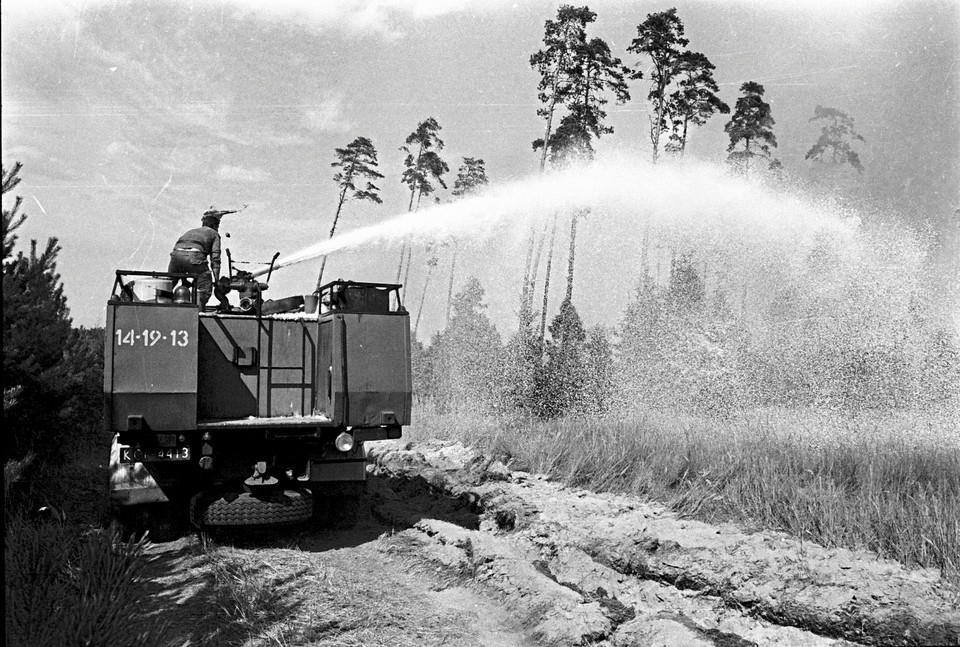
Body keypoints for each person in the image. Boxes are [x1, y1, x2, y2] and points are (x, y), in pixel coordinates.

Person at [168, 207, 234, 309]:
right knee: (205, 288)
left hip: (175, 257)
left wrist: (184, 280)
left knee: (168, 285)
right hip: (195, 257)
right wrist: (217, 281)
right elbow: (215, 259)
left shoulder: (190, 231)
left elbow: (182, 254)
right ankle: (195, 310)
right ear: (215, 225)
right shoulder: (214, 234)